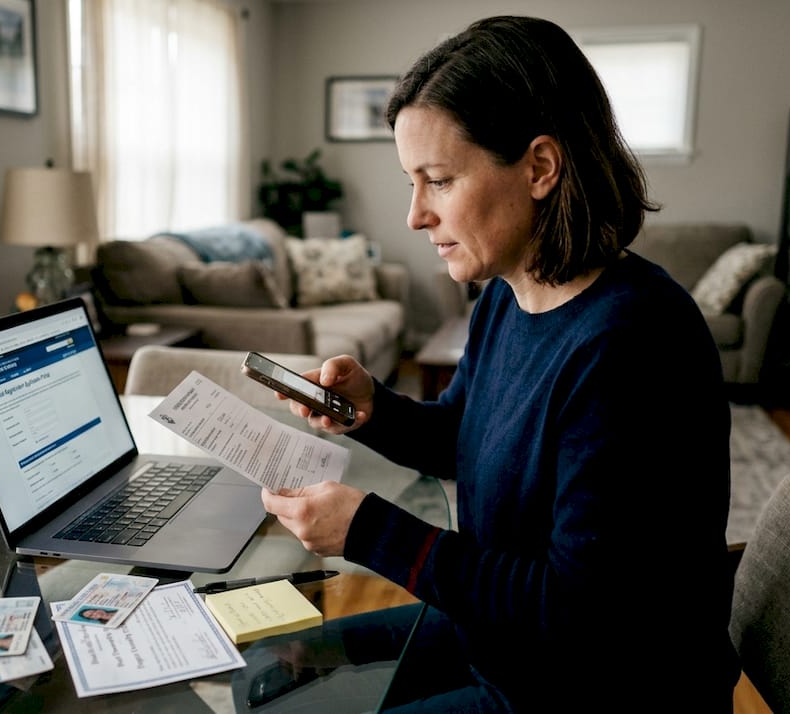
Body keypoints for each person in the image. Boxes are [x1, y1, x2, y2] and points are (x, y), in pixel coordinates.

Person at [261, 15, 738, 712]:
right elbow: (465, 436)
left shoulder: (633, 344)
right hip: (507, 642)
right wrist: (373, 409)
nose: (415, 215)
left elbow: (576, 608)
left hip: (593, 689)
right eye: (411, 182)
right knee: (289, 674)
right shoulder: (507, 299)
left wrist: (370, 532)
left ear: (540, 167)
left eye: (439, 181)